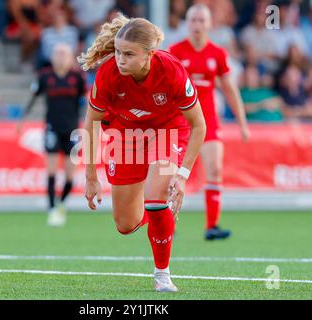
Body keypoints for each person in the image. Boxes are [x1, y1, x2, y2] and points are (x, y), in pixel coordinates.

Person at [78, 13, 206, 292]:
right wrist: (90, 175)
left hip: (167, 130)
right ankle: (157, 216)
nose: (120, 60)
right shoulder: (109, 73)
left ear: (149, 54)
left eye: (128, 54)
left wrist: (182, 175)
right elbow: (91, 123)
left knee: (156, 198)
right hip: (124, 135)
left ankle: (162, 275)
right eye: (118, 52)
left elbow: (199, 126)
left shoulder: (171, 70)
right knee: (125, 225)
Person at [169, 4, 249, 241]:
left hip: (208, 121)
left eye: (201, 21)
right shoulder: (175, 51)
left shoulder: (218, 54)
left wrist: (242, 123)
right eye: (193, 20)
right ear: (187, 23)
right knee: (170, 175)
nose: (197, 25)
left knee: (215, 169)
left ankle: (212, 225)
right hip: (179, 123)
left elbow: (230, 90)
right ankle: (167, 224)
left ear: (209, 24)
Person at [17, 43, 86, 227]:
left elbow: (88, 101)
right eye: (57, 53)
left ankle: (61, 203)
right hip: (52, 128)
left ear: (71, 57)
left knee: (71, 173)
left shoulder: (77, 77)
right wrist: (22, 120)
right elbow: (32, 98)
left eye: (63, 53)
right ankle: (51, 209)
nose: (60, 56)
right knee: (51, 169)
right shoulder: (45, 77)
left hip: (72, 130)